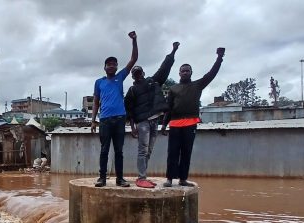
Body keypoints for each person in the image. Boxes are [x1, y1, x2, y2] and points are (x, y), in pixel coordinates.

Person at [161, 47, 225, 187]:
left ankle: (183, 179)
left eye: (187, 70)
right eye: (182, 70)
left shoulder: (197, 85)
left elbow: (211, 74)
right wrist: (164, 125)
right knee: (172, 152)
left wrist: (219, 58)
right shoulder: (173, 89)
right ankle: (169, 179)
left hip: (190, 124)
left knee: (186, 152)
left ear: (191, 73)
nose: (185, 72)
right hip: (175, 125)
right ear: (179, 73)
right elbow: (168, 108)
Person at [124, 42, 180, 188]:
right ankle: (141, 177)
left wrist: (173, 51)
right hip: (142, 122)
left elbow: (164, 68)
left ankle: (143, 176)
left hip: (155, 121)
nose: (138, 75)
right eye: (135, 73)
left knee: (149, 150)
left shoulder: (152, 82)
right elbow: (128, 109)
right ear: (133, 77)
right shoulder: (132, 90)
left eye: (139, 72)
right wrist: (133, 126)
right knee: (143, 149)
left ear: (143, 73)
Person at [91, 31, 138, 187]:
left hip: (119, 119)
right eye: (109, 64)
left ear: (116, 66)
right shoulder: (99, 82)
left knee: (119, 151)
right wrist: (93, 121)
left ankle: (120, 179)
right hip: (104, 120)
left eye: (114, 64)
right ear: (104, 67)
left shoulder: (120, 77)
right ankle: (102, 178)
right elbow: (96, 102)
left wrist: (134, 41)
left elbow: (133, 59)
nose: (111, 66)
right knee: (104, 150)